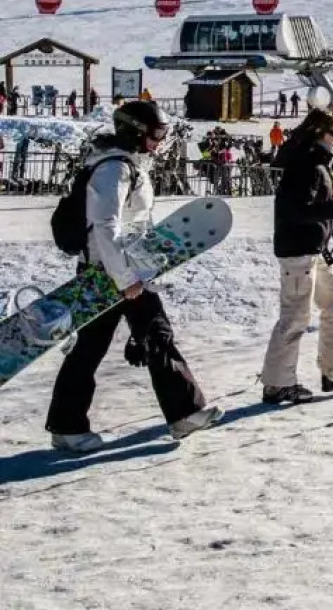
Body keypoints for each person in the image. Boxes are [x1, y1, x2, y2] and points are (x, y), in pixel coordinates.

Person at [45, 100, 220, 452]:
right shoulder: (114, 169)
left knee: (142, 338)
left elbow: (134, 224)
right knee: (137, 339)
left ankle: (69, 426)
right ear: (135, 132)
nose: (160, 140)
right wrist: (125, 279)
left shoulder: (127, 164)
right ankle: (181, 412)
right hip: (111, 272)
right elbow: (105, 227)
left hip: (123, 269)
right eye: (156, 133)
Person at [261, 108, 333, 404]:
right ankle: (277, 384)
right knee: (295, 317)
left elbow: (311, 209)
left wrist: (331, 227)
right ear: (321, 133)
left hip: (313, 249)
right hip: (298, 252)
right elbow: (297, 210)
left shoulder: (317, 162)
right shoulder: (307, 163)